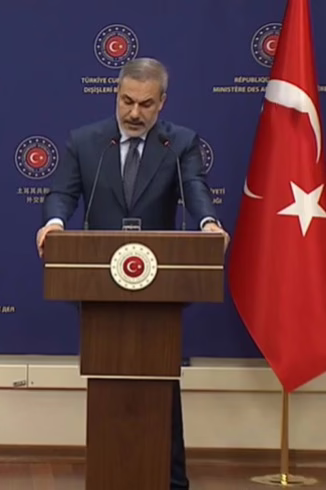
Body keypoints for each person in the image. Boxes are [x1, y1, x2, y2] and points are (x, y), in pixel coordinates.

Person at [36, 57, 229, 490]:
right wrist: (54, 224)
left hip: (158, 291)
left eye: (146, 104)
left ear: (162, 103)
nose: (134, 113)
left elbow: (195, 188)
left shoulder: (180, 144)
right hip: (101, 286)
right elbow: (61, 193)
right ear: (116, 95)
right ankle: (109, 477)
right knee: (110, 379)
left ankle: (171, 482)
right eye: (127, 101)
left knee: (160, 381)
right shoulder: (86, 142)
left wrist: (208, 224)